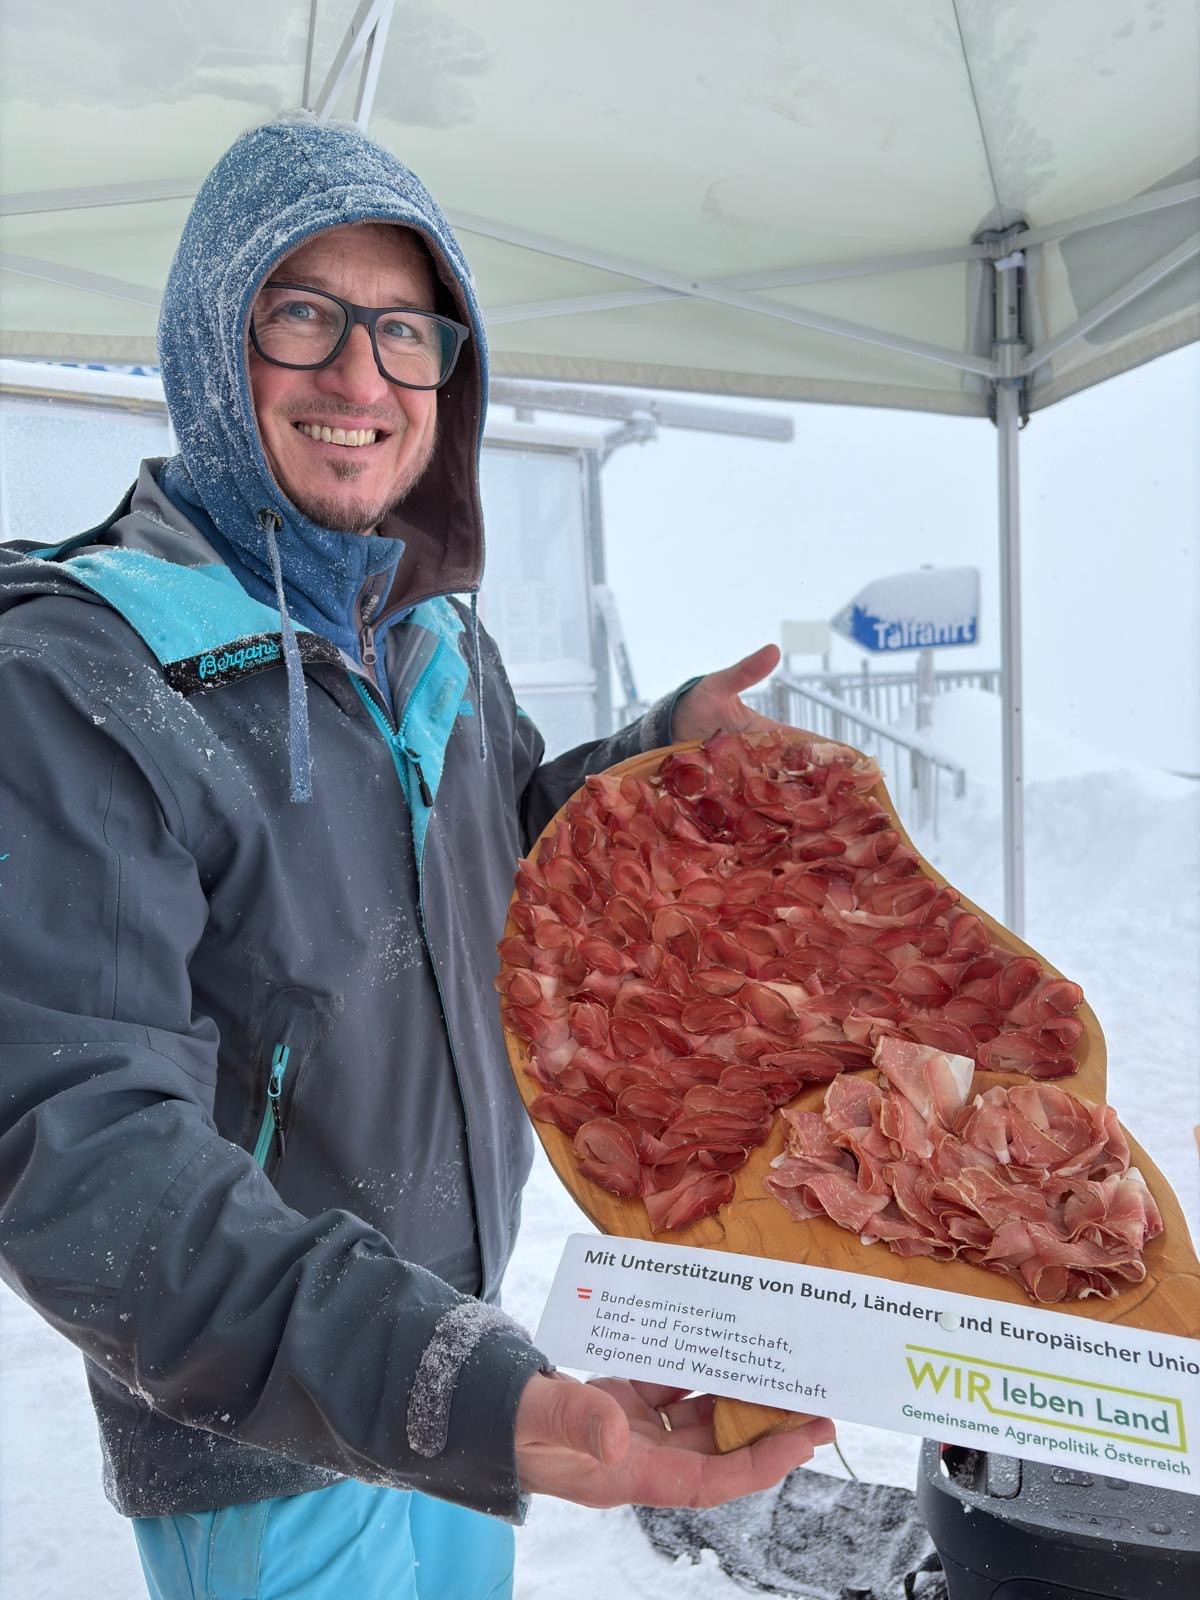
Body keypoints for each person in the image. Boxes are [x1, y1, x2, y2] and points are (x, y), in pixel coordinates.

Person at [0, 113, 833, 1600]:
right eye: (303, 316)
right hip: (261, 1421)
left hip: (466, 1359)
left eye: (404, 330)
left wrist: (655, 760)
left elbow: (495, 863)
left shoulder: (430, 636)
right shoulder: (86, 679)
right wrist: (463, 1388)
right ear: (210, 345)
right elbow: (82, 1142)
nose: (360, 378)